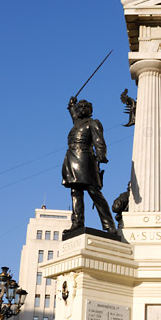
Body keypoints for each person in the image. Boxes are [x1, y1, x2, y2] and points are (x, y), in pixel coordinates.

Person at [62, 96, 116, 233]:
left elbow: (99, 141)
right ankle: (77, 223)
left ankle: (109, 225)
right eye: (80, 107)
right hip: (72, 158)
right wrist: (71, 104)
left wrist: (101, 155)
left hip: (86, 159)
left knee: (94, 192)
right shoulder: (77, 123)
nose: (82, 109)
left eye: (86, 107)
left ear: (90, 110)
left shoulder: (93, 123)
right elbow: (73, 113)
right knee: (75, 191)